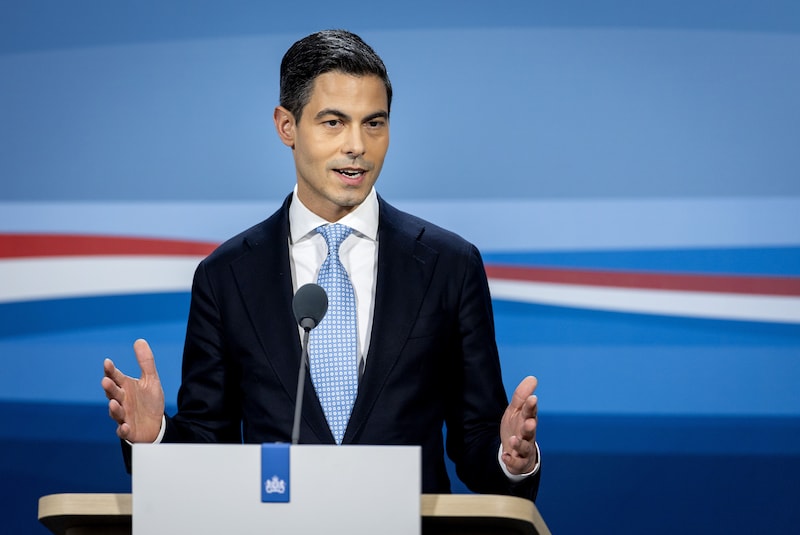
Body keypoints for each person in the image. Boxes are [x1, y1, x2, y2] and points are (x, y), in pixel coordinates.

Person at [102, 29, 540, 500]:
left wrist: (511, 458)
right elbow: (210, 446)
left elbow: (477, 442)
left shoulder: (449, 265)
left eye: (374, 123)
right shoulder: (227, 275)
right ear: (286, 126)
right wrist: (156, 439)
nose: (357, 145)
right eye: (333, 122)